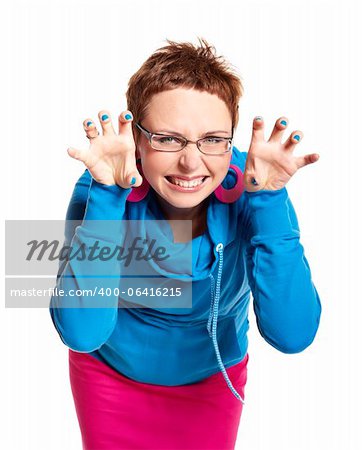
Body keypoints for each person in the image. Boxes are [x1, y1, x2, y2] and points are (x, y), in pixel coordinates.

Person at [49, 37, 322, 450]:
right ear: (138, 141)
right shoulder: (99, 188)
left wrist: (269, 202)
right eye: (168, 139)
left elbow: (293, 334)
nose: (192, 162)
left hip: (212, 377)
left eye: (213, 139)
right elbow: (83, 333)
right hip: (110, 377)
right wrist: (106, 198)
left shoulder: (255, 187)